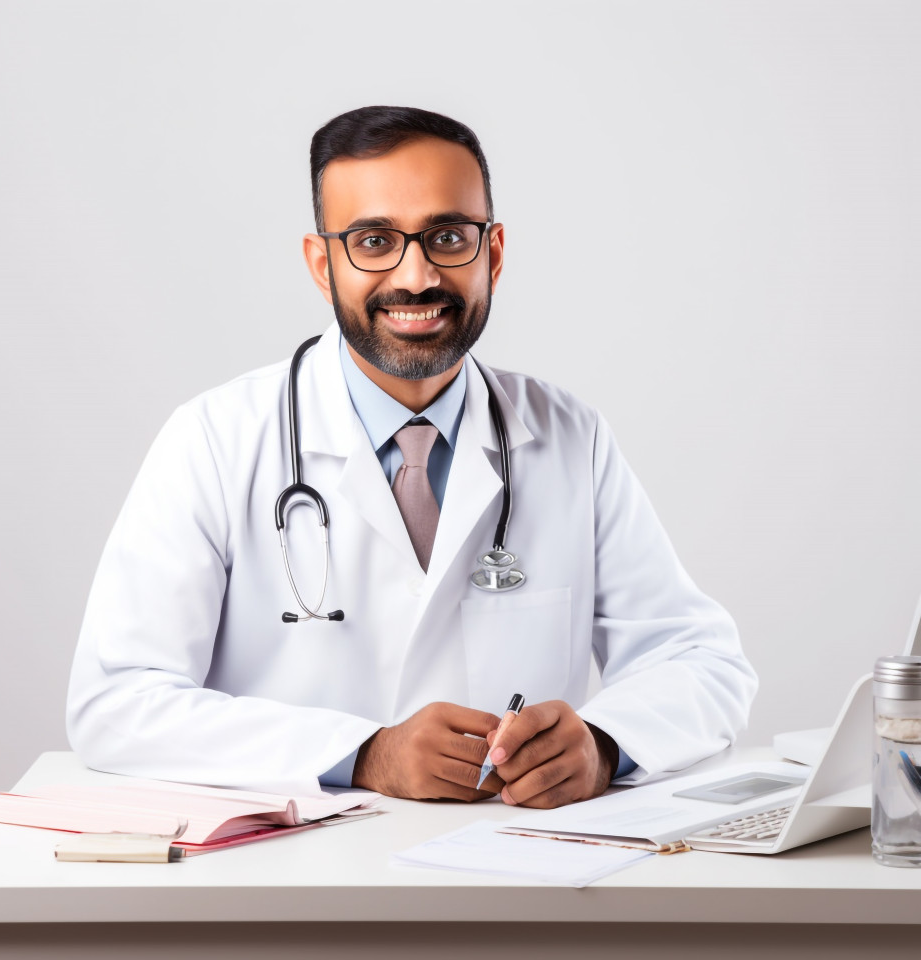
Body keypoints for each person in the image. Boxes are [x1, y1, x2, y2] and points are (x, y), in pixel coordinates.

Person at [66, 105, 757, 809]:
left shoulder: (571, 438)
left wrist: (604, 745)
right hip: (294, 861)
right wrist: (365, 755)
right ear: (322, 264)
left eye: (447, 237)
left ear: (493, 253)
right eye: (373, 241)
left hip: (513, 858)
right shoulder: (215, 439)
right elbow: (116, 702)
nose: (417, 276)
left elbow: (704, 663)